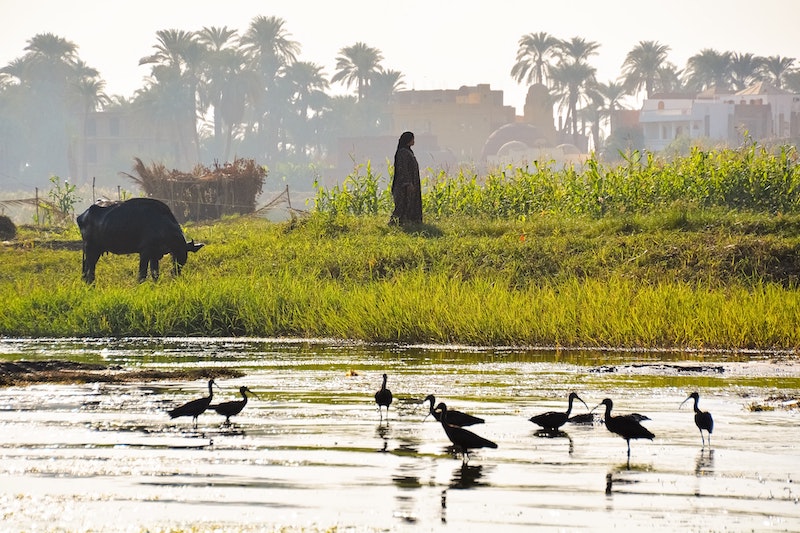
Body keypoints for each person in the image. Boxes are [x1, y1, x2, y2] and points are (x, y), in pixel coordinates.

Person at [389, 131, 422, 225]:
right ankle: (395, 223)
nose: (414, 141)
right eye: (412, 139)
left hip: (410, 182)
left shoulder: (407, 151)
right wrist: (408, 183)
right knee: (402, 205)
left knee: (409, 204)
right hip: (404, 185)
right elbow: (403, 169)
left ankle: (409, 222)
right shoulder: (403, 153)